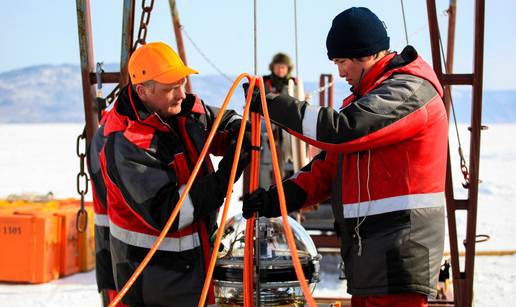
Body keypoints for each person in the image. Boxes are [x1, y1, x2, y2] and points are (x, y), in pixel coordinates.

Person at [243, 7, 447, 307]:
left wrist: (275, 106)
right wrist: (276, 199)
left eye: (342, 62)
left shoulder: (408, 90)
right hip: (371, 255)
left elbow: (342, 130)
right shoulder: (370, 99)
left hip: (399, 254)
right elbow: (328, 169)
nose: (340, 72)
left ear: (366, 55)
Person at [92, 41, 251, 306]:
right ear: (143, 91)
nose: (181, 94)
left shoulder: (179, 108)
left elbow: (222, 120)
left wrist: (239, 133)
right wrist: (223, 179)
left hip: (190, 271)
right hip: (155, 281)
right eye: (170, 88)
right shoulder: (128, 141)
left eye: (182, 83)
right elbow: (170, 213)